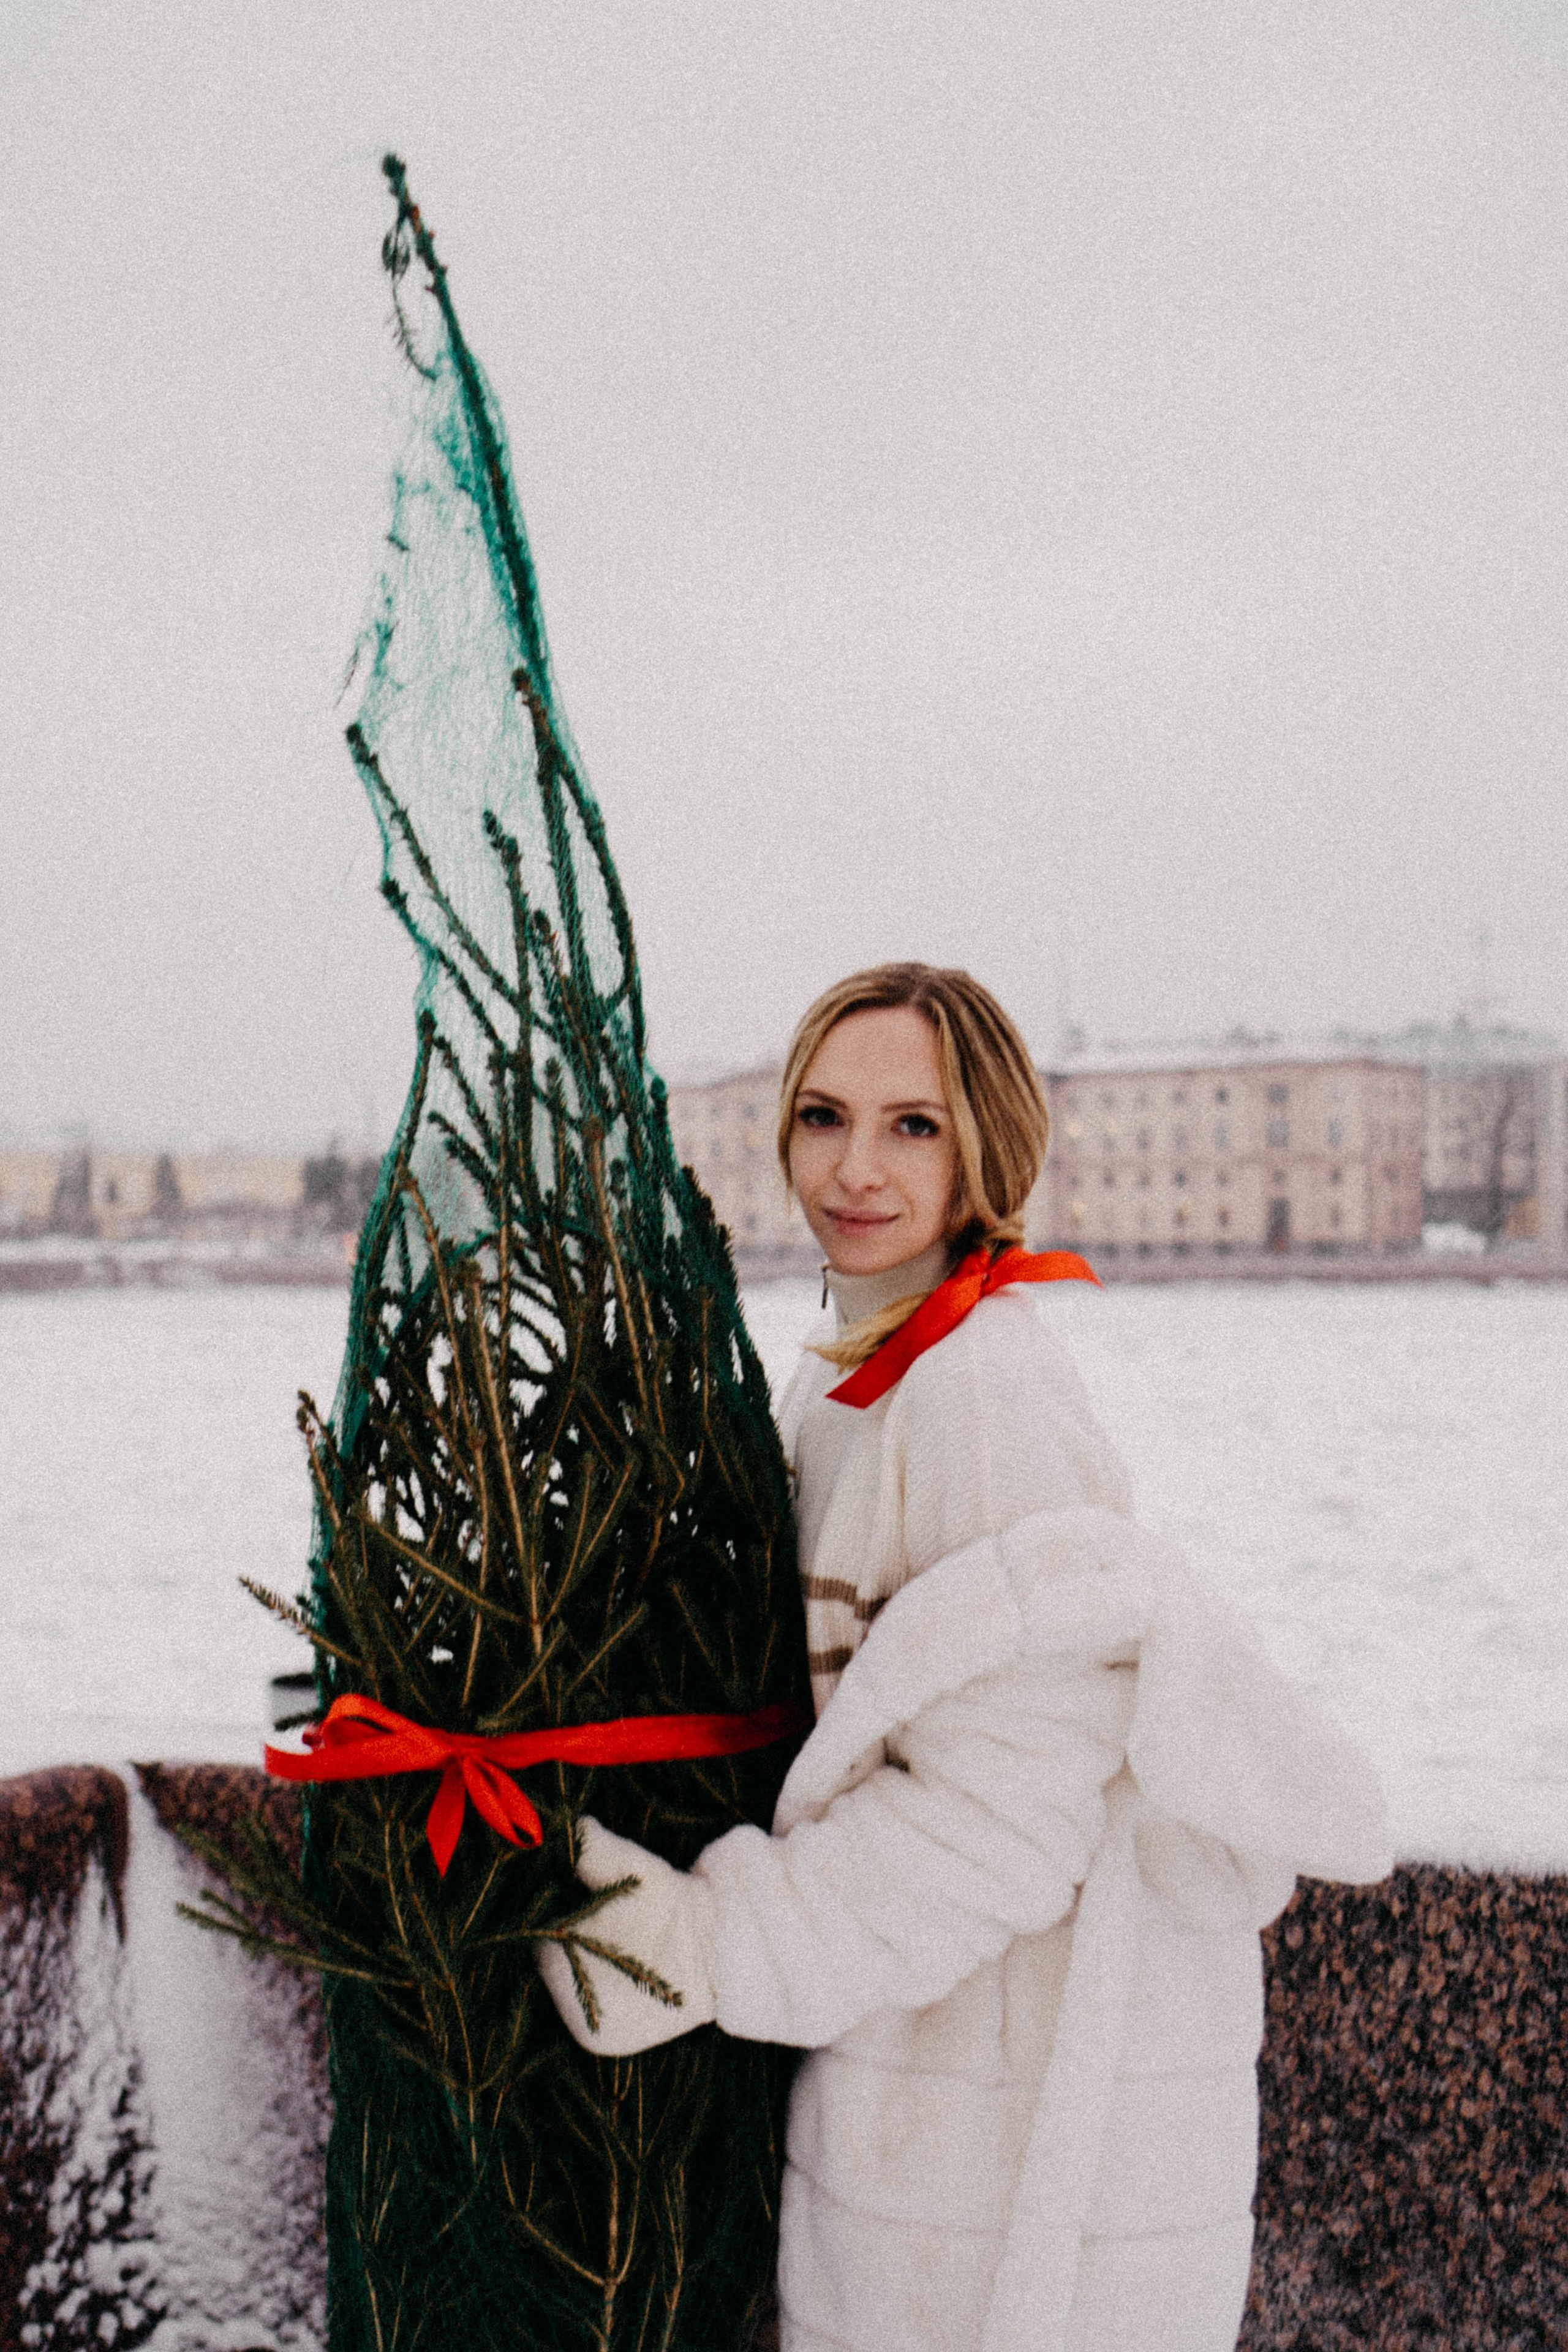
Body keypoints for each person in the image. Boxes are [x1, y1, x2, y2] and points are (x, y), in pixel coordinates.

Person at [538, 962, 1390, 2352]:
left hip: (1004, 2116)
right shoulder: (852, 1364)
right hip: (933, 2060)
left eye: (911, 1127)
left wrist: (704, 1944)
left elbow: (999, 1818)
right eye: (822, 1117)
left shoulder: (977, 1390)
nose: (854, 1167)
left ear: (983, 1145)